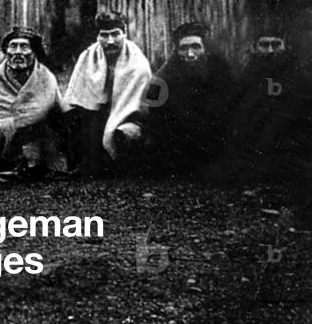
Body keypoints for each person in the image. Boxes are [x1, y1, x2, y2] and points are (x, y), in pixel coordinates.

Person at [214, 27, 312, 195]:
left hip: (287, 150)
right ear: (254, 48)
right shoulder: (246, 78)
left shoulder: (301, 80)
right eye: (264, 45)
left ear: (285, 47)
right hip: (252, 150)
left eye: (276, 45)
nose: (271, 51)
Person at [63, 11, 151, 178]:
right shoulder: (88, 57)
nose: (110, 41)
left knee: (126, 133)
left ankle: (123, 166)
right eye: (104, 35)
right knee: (73, 118)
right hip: (97, 112)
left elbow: (140, 104)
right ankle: (84, 164)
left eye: (115, 34)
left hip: (127, 115)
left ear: (124, 34)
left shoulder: (137, 62)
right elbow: (77, 96)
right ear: (97, 36)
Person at [143, 21, 236, 175]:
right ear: (176, 51)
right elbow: (155, 120)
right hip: (179, 148)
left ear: (205, 49)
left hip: (213, 144)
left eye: (196, 47)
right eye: (184, 48)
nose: (190, 54)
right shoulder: (163, 78)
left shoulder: (221, 72)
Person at [0, 27, 67, 182]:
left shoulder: (46, 77)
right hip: (7, 138)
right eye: (13, 46)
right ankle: (15, 165)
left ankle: (39, 166)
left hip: (41, 135)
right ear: (6, 51)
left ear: (34, 52)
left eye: (24, 47)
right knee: (4, 126)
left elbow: (55, 109)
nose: (17, 52)